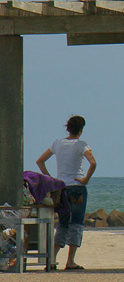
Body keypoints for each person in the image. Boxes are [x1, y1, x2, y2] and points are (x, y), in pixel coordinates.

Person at [35, 115, 96, 271]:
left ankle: (53, 259)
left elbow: (40, 161)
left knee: (62, 223)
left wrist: (51, 178)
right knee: (76, 223)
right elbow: (93, 163)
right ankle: (70, 261)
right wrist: (85, 179)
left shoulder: (58, 143)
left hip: (61, 187)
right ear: (81, 130)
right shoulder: (82, 145)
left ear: (67, 128)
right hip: (77, 187)